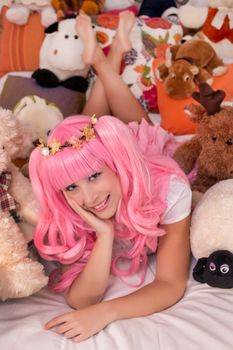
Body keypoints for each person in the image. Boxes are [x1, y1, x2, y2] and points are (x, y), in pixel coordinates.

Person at [29, 11, 191, 343]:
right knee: (83, 132)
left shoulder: (170, 190)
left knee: (139, 128)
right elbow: (80, 299)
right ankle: (110, 55)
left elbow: (171, 283)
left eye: (93, 178)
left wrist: (107, 312)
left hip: (142, 160)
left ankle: (103, 62)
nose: (88, 198)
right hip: (106, 152)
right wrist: (104, 235)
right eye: (72, 186)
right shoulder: (73, 205)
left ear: (115, 166)